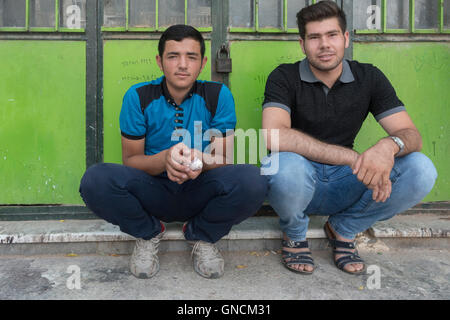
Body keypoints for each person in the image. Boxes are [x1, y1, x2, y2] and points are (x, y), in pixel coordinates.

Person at [261, 1, 437, 275]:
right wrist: (351, 157)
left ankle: (344, 229)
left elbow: (411, 135)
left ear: (345, 38)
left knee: (421, 169)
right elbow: (273, 135)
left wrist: (387, 147)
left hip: (348, 181)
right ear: (302, 43)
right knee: (284, 165)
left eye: (332, 35)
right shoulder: (284, 76)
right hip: (301, 180)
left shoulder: (370, 77)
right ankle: (295, 233)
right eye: (315, 37)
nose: (324, 45)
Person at [79, 25, 267, 279]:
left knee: (254, 180)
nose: (182, 65)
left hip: (200, 189)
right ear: (159, 61)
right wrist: (165, 159)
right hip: (153, 191)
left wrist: (197, 159)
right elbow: (131, 161)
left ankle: (201, 234)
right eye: (173, 56)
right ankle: (148, 232)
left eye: (191, 57)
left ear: (202, 63)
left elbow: (223, 159)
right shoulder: (138, 96)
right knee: (95, 180)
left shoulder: (218, 95)